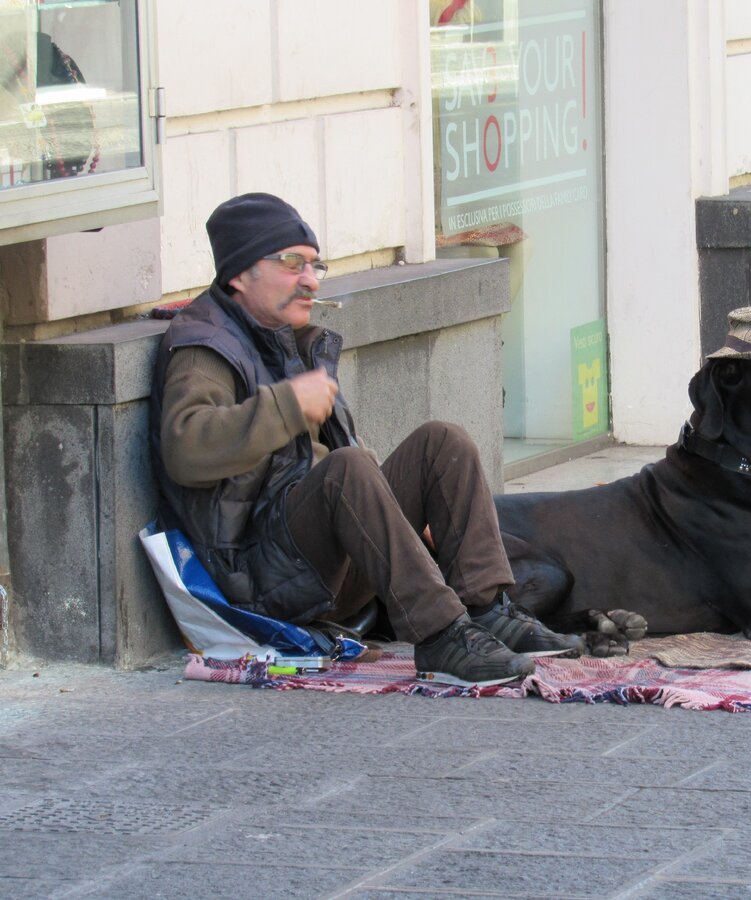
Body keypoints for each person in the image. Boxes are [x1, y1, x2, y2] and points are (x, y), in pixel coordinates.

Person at [148, 192, 583, 686]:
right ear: (239, 273)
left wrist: (397, 523)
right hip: (256, 580)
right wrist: (288, 405)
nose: (310, 280)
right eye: (292, 264)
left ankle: (485, 610)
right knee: (348, 468)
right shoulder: (204, 347)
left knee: (442, 444)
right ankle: (442, 635)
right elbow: (185, 449)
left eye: (315, 265)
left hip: (319, 558)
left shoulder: (282, 336)